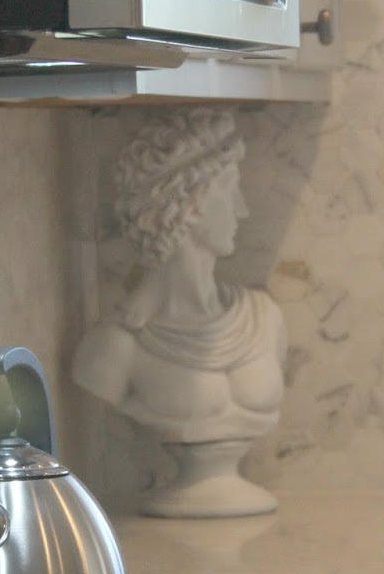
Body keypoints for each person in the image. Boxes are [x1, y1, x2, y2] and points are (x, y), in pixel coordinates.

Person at [72, 110, 286, 515]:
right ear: (188, 202)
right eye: (230, 190)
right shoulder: (114, 348)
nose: (241, 210)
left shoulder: (264, 318)